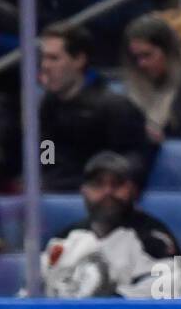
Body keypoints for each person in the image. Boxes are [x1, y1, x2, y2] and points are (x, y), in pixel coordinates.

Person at [41, 152, 177, 299]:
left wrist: (114, 300)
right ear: (84, 191)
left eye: (117, 184)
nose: (108, 192)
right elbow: (38, 287)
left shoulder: (153, 237)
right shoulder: (66, 238)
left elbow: (171, 282)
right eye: (98, 184)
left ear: (132, 190)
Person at [37, 22, 155, 192]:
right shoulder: (48, 105)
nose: (45, 66)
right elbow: (47, 151)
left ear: (79, 60)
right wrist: (46, 175)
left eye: (54, 58)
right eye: (44, 58)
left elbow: (134, 159)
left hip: (100, 196)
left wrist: (101, 181)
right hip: (55, 190)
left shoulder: (116, 107)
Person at [121, 13, 181, 141]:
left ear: (168, 51)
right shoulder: (135, 82)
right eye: (136, 57)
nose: (141, 64)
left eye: (147, 55)